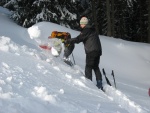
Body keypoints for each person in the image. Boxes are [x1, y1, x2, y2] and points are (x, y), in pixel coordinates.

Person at [66, 17, 103, 90]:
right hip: (98, 51)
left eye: (81, 24)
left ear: (84, 24)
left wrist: (69, 40)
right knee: (95, 67)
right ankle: (99, 84)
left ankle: (89, 84)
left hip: (91, 51)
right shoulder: (92, 30)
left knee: (88, 67)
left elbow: (79, 39)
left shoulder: (86, 30)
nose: (80, 25)